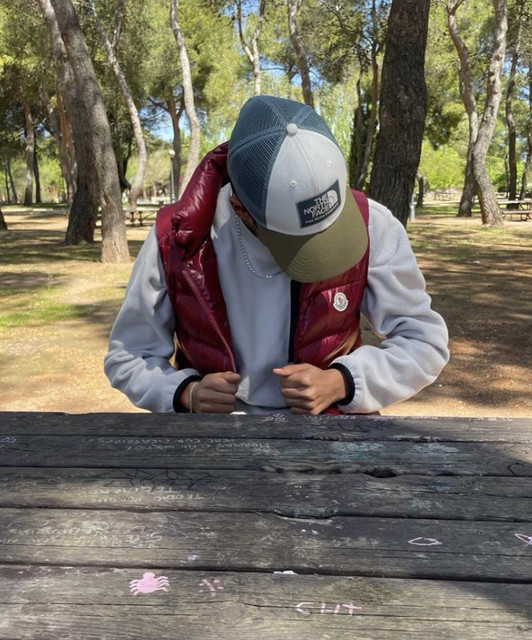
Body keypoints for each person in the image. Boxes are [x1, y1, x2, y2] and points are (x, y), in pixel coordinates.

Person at [104, 95, 449, 415]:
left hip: (331, 436)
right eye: (296, 242)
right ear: (240, 210)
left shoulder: (372, 223)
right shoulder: (176, 241)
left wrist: (342, 382)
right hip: (218, 441)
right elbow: (129, 356)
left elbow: (424, 342)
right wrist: (185, 392)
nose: (321, 252)